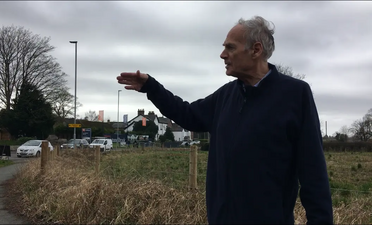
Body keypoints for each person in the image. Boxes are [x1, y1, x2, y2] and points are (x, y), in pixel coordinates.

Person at [116, 16, 333, 224]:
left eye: (230, 47)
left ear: (256, 50)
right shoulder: (226, 96)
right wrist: (151, 88)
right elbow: (187, 114)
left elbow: (313, 172)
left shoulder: (295, 95)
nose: (222, 54)